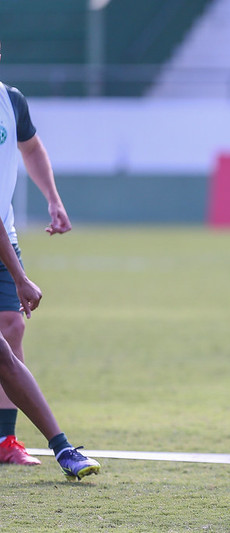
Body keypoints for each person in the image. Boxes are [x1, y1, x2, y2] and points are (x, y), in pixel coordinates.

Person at [0, 41, 83, 470]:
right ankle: (59, 445)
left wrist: (53, 198)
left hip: (3, 234)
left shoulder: (10, 101)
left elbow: (31, 148)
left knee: (11, 327)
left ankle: (4, 439)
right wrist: (20, 276)